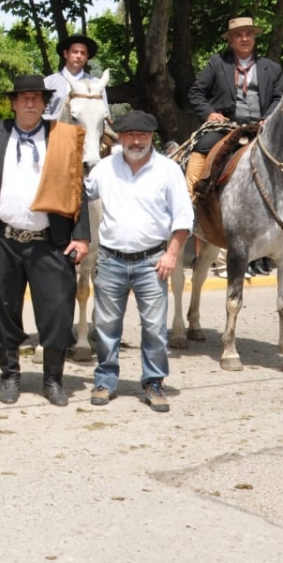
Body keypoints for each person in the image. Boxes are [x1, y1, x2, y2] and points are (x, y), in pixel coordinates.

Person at [0, 75, 90, 407]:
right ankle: (10, 376)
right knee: (3, 309)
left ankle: (53, 380)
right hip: (2, 238)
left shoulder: (61, 137)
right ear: (13, 102)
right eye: (24, 98)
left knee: (57, 311)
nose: (30, 103)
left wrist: (81, 236)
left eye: (36, 98)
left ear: (45, 103)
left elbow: (78, 186)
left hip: (50, 240)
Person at [84, 110, 193, 413]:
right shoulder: (104, 169)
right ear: (119, 137)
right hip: (110, 260)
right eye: (130, 134)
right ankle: (105, 380)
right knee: (105, 326)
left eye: (143, 135)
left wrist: (172, 254)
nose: (136, 140)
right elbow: (79, 195)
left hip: (153, 261)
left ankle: (154, 382)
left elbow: (184, 216)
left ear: (151, 137)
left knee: (155, 328)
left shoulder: (168, 170)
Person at [185, 17, 283, 198]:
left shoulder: (272, 68)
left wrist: (268, 117)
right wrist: (210, 113)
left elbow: (279, 98)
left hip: (261, 127)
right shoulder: (217, 63)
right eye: (238, 35)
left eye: (249, 34)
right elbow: (196, 93)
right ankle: (190, 199)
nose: (244, 39)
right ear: (230, 41)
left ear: (254, 38)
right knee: (202, 147)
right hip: (226, 127)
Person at [42, 33, 108, 120]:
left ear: (87, 57)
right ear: (66, 54)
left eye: (83, 53)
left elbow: (105, 117)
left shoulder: (96, 84)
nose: (79, 56)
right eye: (75, 52)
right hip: (55, 132)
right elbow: (40, 116)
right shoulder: (48, 83)